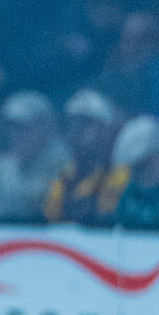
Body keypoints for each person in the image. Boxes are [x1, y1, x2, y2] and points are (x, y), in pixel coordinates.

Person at [0, 91, 68, 223]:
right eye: (11, 128)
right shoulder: (1, 166)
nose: (15, 135)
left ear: (45, 126)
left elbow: (40, 205)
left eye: (22, 128)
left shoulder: (65, 162)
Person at [41, 90, 126, 225]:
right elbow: (50, 216)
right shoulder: (64, 173)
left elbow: (107, 216)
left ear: (106, 130)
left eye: (86, 124)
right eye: (73, 124)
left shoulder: (120, 173)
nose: (77, 131)